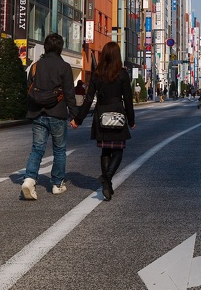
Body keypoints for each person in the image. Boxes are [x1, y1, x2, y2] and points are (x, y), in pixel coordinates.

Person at [71, 41, 135, 201]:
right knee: (118, 151)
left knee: (105, 151)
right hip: (118, 114)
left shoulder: (97, 74)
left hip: (101, 114)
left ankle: (106, 181)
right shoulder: (122, 74)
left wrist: (78, 119)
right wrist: (131, 120)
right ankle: (106, 179)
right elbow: (128, 99)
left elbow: (88, 99)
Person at [21, 33, 79, 201]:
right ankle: (57, 184)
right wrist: (74, 116)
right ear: (60, 48)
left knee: (37, 148)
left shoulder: (36, 66)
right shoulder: (64, 67)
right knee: (59, 150)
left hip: (38, 112)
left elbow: (28, 88)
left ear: (45, 47)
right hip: (57, 113)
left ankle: (30, 179)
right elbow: (69, 93)